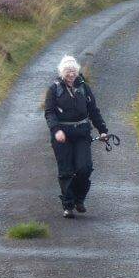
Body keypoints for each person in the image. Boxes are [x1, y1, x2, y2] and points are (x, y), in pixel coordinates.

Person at [44, 54, 109, 218]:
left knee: (84, 167)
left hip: (82, 134)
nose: (71, 74)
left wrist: (102, 130)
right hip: (62, 136)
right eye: (67, 71)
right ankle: (68, 205)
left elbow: (93, 111)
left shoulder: (84, 87)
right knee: (66, 170)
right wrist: (56, 130)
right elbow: (49, 112)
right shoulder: (54, 89)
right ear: (61, 72)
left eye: (73, 71)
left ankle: (79, 199)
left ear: (77, 71)